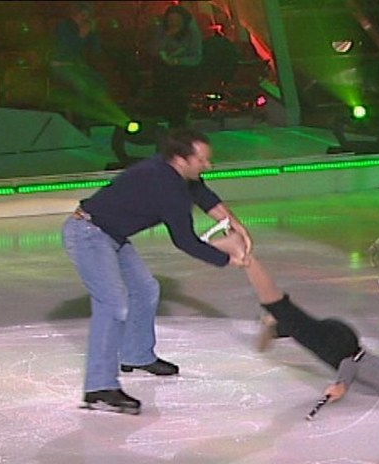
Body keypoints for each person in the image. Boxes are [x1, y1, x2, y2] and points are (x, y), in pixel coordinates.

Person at [62, 128, 253, 415]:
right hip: (88, 233)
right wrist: (226, 260)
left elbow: (202, 193)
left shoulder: (174, 172)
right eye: (202, 161)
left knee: (146, 289)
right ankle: (98, 388)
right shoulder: (166, 186)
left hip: (111, 235)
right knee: (113, 305)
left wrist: (236, 225)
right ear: (181, 159)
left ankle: (136, 354)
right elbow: (185, 240)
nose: (207, 165)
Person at [210, 232, 379, 402]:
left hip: (344, 335)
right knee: (278, 304)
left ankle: (275, 328)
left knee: (297, 324)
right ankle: (243, 253)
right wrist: (341, 386)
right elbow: (349, 365)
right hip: (337, 348)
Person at [50, 1, 105, 130]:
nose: (85, 19)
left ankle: (88, 117)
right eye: (83, 16)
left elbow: (96, 50)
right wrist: (81, 35)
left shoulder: (86, 28)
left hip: (79, 66)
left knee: (98, 81)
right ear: (75, 14)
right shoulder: (64, 27)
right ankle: (76, 120)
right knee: (79, 84)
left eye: (87, 16)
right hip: (61, 66)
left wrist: (94, 32)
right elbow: (66, 50)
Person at [150, 4, 203, 128]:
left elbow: (196, 57)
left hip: (187, 68)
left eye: (177, 21)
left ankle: (178, 116)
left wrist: (178, 61)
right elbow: (153, 50)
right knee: (163, 75)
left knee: (174, 82)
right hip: (165, 68)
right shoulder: (162, 31)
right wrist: (166, 37)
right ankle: (167, 113)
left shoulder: (192, 33)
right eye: (170, 20)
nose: (173, 23)